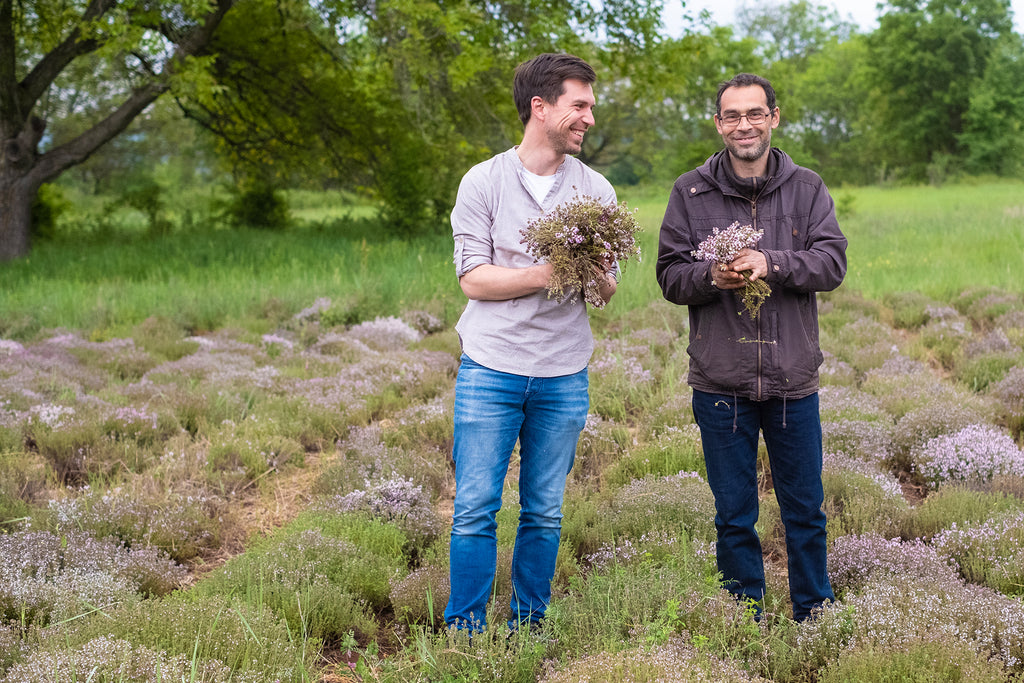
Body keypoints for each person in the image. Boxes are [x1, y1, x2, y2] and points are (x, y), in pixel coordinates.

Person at [655, 73, 847, 622]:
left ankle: (814, 613)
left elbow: (832, 264)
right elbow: (670, 277)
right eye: (732, 116)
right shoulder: (689, 191)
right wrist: (712, 276)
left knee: (805, 510)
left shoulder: (807, 187)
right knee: (734, 513)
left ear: (774, 118)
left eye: (754, 114)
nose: (744, 125)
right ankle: (745, 617)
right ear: (719, 124)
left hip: (792, 380)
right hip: (721, 382)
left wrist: (774, 262)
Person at [445, 53, 618, 634]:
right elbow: (474, 279)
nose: (589, 118)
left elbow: (607, 290)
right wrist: (550, 271)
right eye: (580, 105)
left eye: (590, 107)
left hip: (564, 371)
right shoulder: (483, 181)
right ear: (540, 108)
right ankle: (464, 631)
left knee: (543, 511)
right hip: (490, 368)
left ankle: (528, 625)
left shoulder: (595, 189)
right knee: (475, 509)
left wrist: (593, 269)